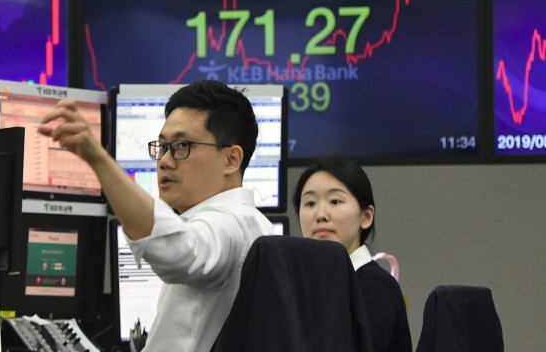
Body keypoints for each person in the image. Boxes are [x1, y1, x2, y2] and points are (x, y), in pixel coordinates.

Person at [39, 80, 274, 352]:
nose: (164, 160)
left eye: (182, 146)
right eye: (162, 147)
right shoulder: (256, 224)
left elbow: (178, 251)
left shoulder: (228, 224)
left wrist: (98, 159)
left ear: (231, 159)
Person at [293, 155, 412, 352]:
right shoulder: (301, 287)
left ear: (366, 217)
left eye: (335, 201)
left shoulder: (376, 288)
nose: (321, 215)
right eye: (310, 203)